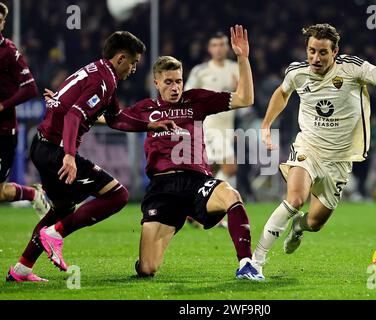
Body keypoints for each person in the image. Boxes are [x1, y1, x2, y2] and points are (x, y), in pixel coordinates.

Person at [6, 31, 176, 282]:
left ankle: (21, 269)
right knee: (118, 195)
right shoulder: (103, 81)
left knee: (62, 208)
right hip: (55, 150)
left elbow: (115, 118)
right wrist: (69, 156)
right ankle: (56, 234)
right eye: (134, 61)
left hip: (43, 146)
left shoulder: (101, 72)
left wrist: (150, 126)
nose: (134, 68)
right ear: (120, 58)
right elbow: (75, 115)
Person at [251, 23, 376, 276]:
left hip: (340, 159)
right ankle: (255, 262)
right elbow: (282, 93)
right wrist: (266, 125)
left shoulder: (353, 68)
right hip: (308, 148)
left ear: (335, 52)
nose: (315, 58)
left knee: (314, 222)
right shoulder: (297, 72)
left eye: (322, 52)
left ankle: (298, 228)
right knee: (295, 199)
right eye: (311, 51)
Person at [129, 25, 263, 280]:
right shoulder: (145, 109)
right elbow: (114, 119)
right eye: (168, 82)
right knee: (147, 268)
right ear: (156, 83)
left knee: (231, 194)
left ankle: (246, 263)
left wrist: (243, 58)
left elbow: (245, 98)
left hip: (196, 180)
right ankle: (174, 225)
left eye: (178, 81)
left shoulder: (196, 100)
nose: (175, 87)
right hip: (162, 188)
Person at [185, 32, 240, 228]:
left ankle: (194, 210)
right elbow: (186, 97)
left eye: (222, 44)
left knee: (210, 173)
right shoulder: (201, 71)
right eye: (215, 45)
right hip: (209, 128)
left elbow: (245, 100)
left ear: (228, 47)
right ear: (209, 49)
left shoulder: (236, 69)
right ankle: (207, 205)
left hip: (227, 128)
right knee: (230, 167)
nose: (219, 48)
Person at [0, 2, 49, 217]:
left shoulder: (8, 51)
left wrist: (2, 105)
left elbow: (30, 88)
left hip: (3, 131)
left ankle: (32, 194)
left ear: (3, 23)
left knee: (0, 193)